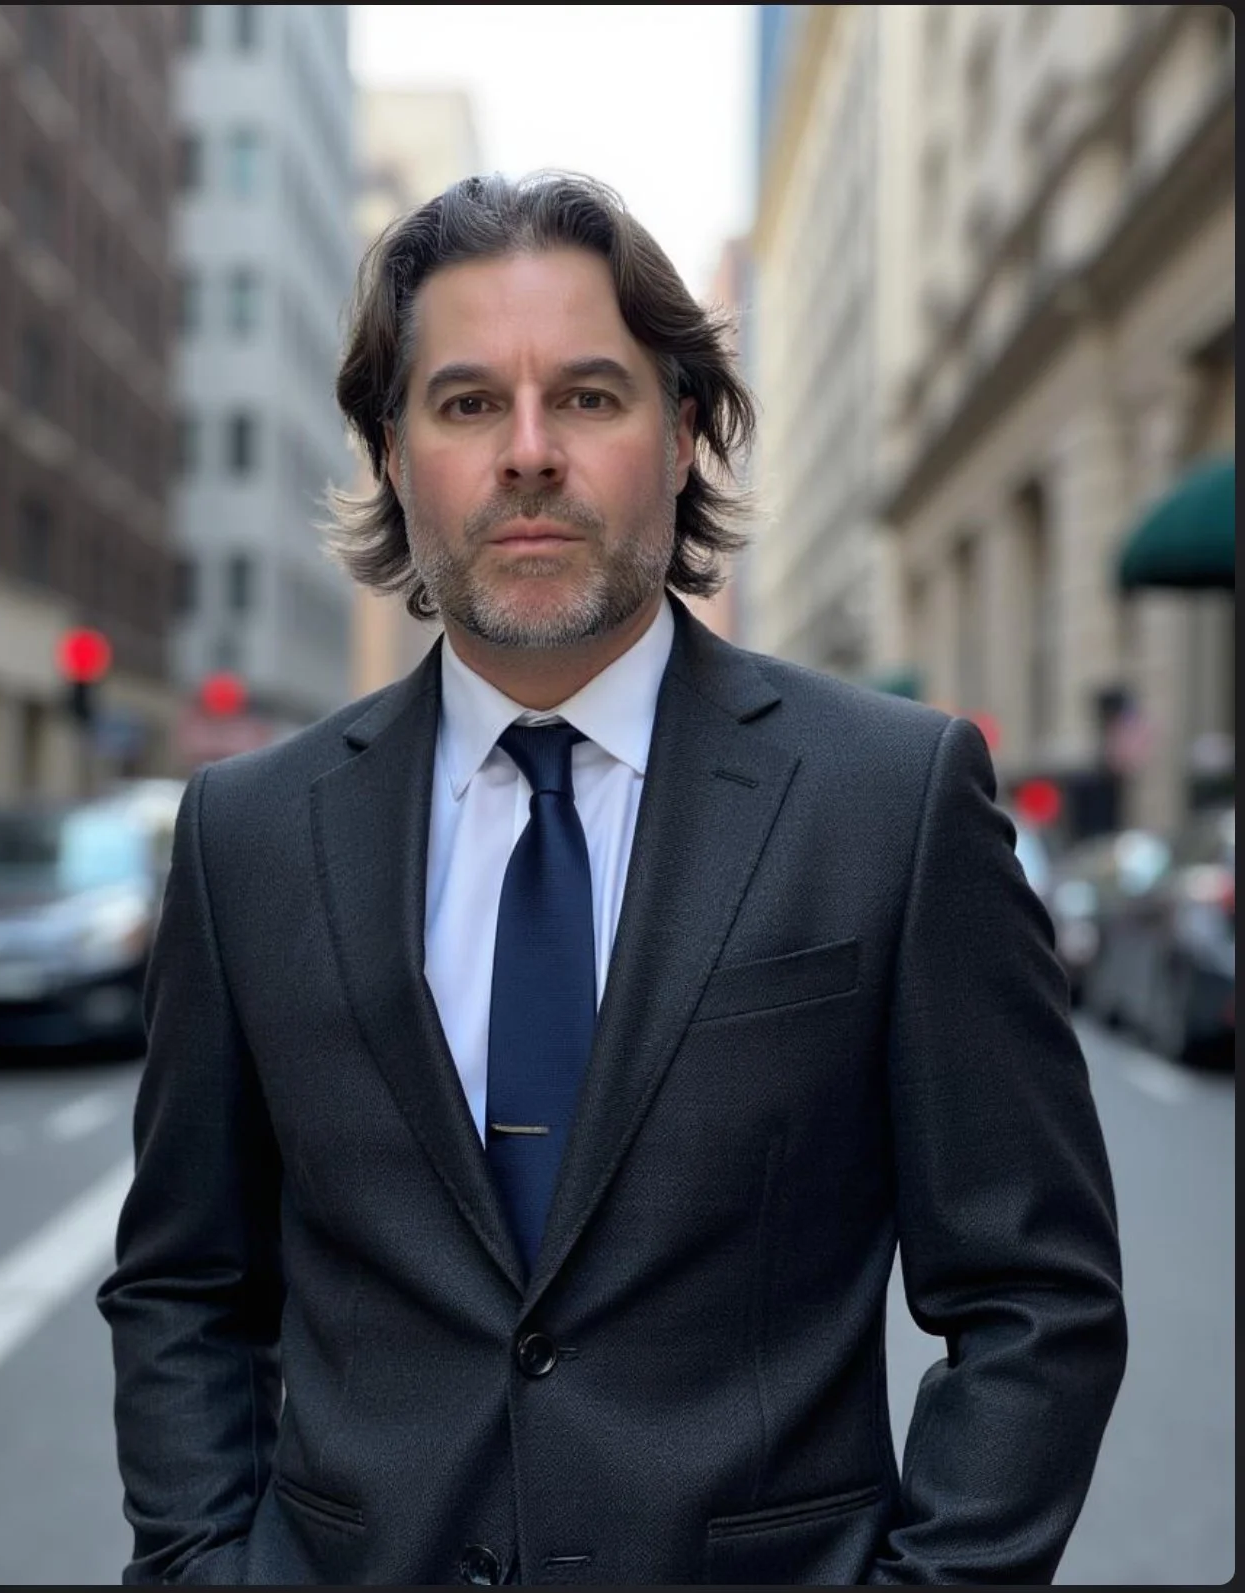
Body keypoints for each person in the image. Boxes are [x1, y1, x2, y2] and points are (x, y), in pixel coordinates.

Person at [98, 172, 1126, 1587]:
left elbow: (1036, 1296)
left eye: (587, 396)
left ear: (684, 433)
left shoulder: (891, 800)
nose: (529, 453)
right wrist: (203, 1564)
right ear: (392, 454)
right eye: (467, 403)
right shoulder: (247, 834)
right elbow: (182, 1286)